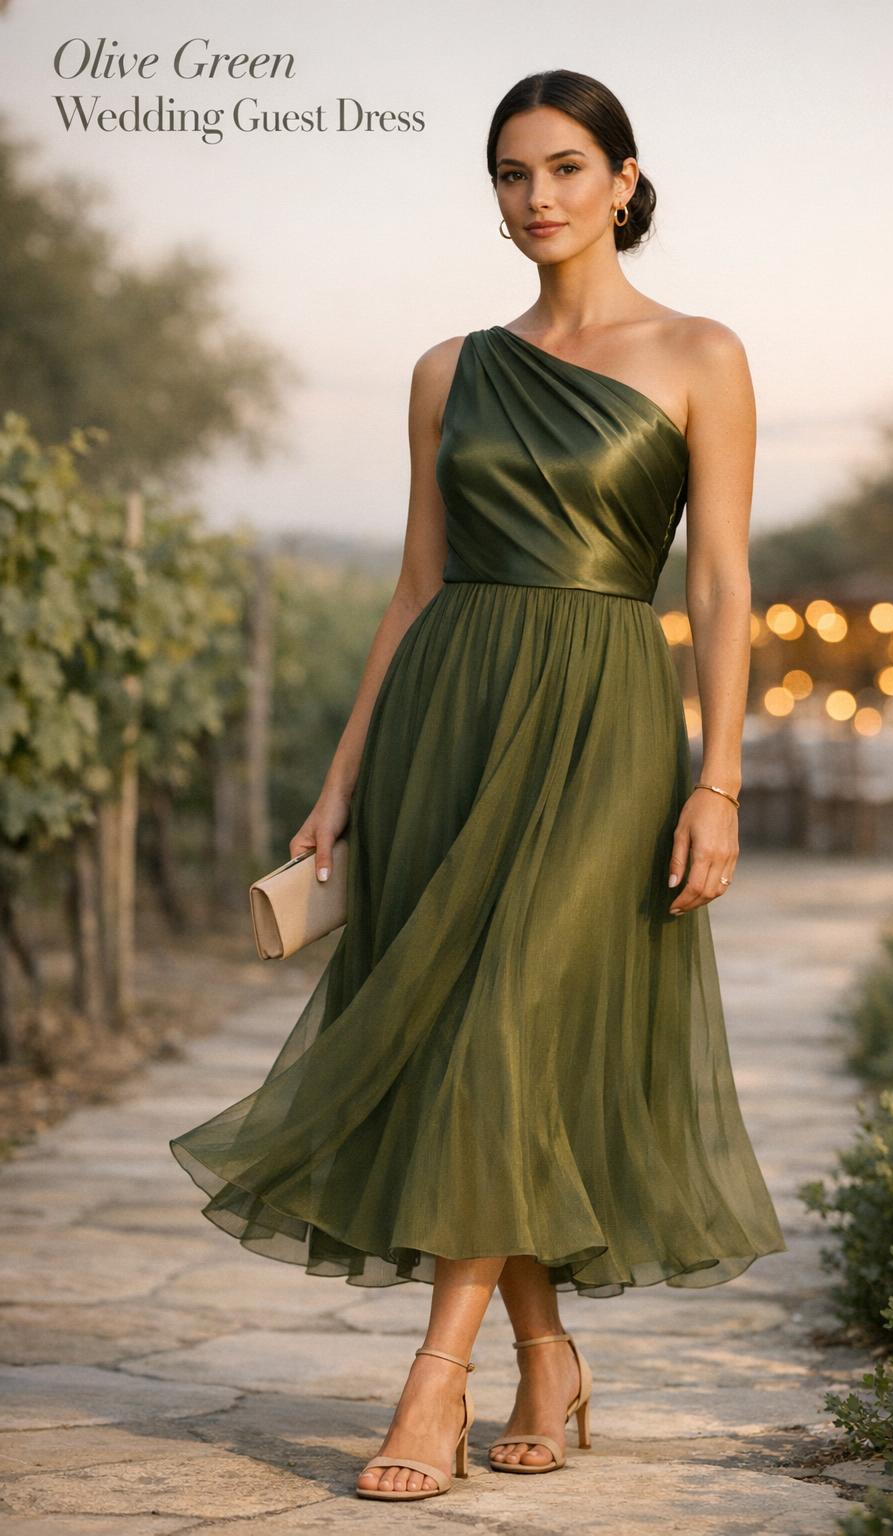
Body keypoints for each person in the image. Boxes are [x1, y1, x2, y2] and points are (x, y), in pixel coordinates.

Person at [169, 66, 787, 1504]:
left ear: (625, 180)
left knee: (510, 1012)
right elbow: (408, 592)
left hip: (606, 718)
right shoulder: (448, 369)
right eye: (512, 175)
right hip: (452, 710)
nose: (539, 198)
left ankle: (432, 1381)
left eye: (567, 168)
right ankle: (547, 1355)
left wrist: (723, 781)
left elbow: (722, 578)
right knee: (471, 1025)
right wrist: (341, 786)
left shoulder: (702, 352)